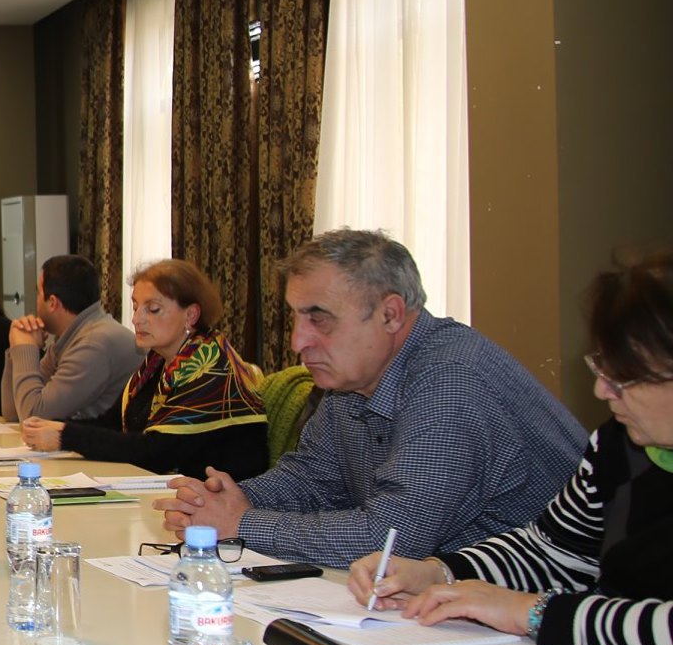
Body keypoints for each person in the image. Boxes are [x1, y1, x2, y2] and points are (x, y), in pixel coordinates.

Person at [160, 229, 585, 567]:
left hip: (547, 608)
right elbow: (312, 478)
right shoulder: (355, 379)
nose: (297, 341)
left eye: (319, 319)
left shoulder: (450, 381)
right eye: (296, 317)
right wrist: (222, 500)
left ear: (390, 314)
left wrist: (243, 523)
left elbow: (393, 539)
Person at [347, 252, 673, 645]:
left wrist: (531, 613)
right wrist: (441, 573)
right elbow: (553, 551)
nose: (602, 391)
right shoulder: (616, 445)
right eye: (602, 367)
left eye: (627, 376)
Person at [22, 259, 268, 480]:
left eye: (152, 309)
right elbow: (112, 423)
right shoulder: (158, 361)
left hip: (220, 500)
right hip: (173, 488)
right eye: (136, 306)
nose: (136, 319)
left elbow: (157, 452)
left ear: (191, 315)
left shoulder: (210, 367)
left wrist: (65, 436)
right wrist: (50, 426)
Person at [0, 255, 142, 423]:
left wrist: (25, 346)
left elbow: (33, 416)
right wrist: (16, 350)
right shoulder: (73, 337)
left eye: (38, 293)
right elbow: (13, 412)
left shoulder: (94, 343)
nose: (36, 301)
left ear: (52, 302)